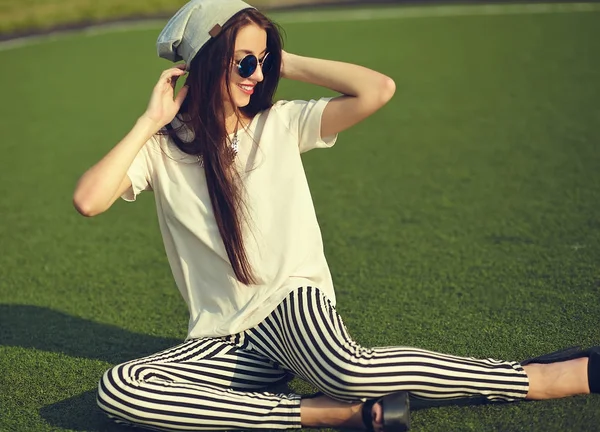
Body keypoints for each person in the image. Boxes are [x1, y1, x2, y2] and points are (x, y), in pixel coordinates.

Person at [73, 0, 598, 430]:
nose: (257, 75)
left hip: (291, 305)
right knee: (121, 389)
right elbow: (89, 200)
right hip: (223, 338)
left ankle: (537, 378)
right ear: (207, 63)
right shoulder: (162, 149)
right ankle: (327, 415)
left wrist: (281, 58)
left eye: (262, 60)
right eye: (243, 62)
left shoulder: (280, 122)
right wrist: (149, 121)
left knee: (347, 367)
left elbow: (378, 90)